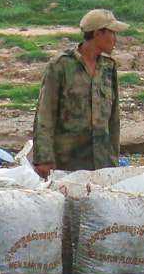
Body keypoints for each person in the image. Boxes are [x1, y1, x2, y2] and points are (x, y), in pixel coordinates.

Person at [32, 10, 125, 177]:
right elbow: (45, 115)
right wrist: (44, 159)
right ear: (98, 34)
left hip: (103, 163)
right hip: (68, 163)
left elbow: (113, 119)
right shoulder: (61, 65)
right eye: (112, 34)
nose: (115, 40)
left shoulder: (108, 67)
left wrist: (114, 160)